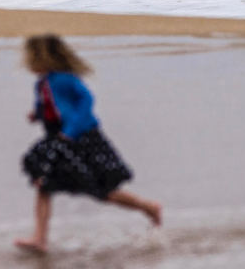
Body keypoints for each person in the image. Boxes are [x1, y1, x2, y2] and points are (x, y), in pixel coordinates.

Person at [15, 34, 162, 254]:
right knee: (43, 184)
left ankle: (148, 207)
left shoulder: (66, 79)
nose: (28, 64)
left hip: (82, 139)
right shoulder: (42, 83)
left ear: (44, 58)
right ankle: (40, 238)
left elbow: (86, 101)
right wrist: (36, 114)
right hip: (56, 139)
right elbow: (49, 106)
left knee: (103, 192)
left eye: (31, 59)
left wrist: (71, 130)